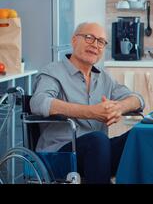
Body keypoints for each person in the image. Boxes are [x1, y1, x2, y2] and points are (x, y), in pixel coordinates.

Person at [30, 22, 145, 184]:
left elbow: (138, 99)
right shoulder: (52, 72)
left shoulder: (105, 78)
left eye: (101, 42)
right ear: (74, 40)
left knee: (140, 135)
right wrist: (91, 112)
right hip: (60, 157)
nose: (95, 45)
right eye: (89, 38)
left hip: (98, 154)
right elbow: (39, 102)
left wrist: (119, 107)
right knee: (97, 140)